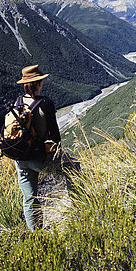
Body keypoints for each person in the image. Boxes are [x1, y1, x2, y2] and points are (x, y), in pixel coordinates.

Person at [12, 64, 80, 231]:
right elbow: (55, 136)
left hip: (20, 159)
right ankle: (80, 209)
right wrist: (57, 152)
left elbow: (0, 124)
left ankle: (37, 235)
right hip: (41, 158)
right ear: (39, 83)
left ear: (24, 85)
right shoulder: (46, 103)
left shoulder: (17, 103)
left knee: (29, 198)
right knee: (74, 166)